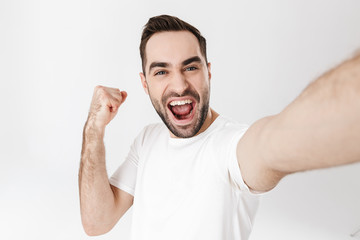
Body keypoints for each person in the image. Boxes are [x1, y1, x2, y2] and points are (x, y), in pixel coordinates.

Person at [78, 15, 360, 240]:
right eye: (161, 71)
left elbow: (272, 144)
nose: (178, 85)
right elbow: (97, 222)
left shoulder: (230, 146)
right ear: (144, 83)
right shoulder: (147, 141)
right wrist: (94, 128)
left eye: (190, 67)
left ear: (208, 72)